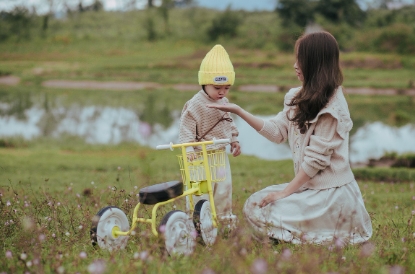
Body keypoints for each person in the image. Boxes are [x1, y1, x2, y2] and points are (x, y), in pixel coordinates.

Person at [207, 32, 372, 244]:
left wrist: (284, 193)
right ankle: (293, 237)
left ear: (315, 63)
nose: (295, 65)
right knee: (254, 204)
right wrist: (239, 111)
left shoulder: (333, 107)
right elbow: (277, 132)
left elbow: (314, 162)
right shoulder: (296, 97)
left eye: (300, 60)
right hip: (309, 189)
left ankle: (323, 234)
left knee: (263, 210)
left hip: (331, 196)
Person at [178, 44, 241, 228]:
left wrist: (234, 139)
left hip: (219, 156)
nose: (222, 92)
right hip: (198, 156)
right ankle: (196, 223)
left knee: (223, 188)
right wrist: (188, 148)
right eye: (217, 87)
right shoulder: (195, 105)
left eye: (227, 88)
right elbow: (186, 129)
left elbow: (229, 122)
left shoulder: (224, 102)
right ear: (204, 83)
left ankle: (223, 222)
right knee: (200, 190)